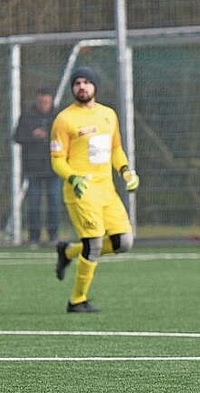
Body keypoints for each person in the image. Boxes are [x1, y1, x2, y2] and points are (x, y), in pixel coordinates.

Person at [50, 66, 140, 313]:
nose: (82, 87)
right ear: (72, 88)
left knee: (124, 242)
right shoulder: (65, 119)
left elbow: (115, 149)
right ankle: (77, 301)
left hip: (106, 190)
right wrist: (73, 178)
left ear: (95, 86)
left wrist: (126, 171)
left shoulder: (108, 115)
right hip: (82, 191)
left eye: (86, 82)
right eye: (77, 83)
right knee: (95, 244)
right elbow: (57, 159)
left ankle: (68, 252)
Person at [14, 86, 61, 247]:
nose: (44, 105)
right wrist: (32, 136)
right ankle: (34, 237)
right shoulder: (27, 116)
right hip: (33, 168)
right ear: (37, 100)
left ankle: (53, 236)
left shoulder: (58, 116)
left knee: (54, 202)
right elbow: (17, 136)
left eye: (46, 102)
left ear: (51, 100)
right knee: (33, 204)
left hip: (54, 167)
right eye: (41, 102)